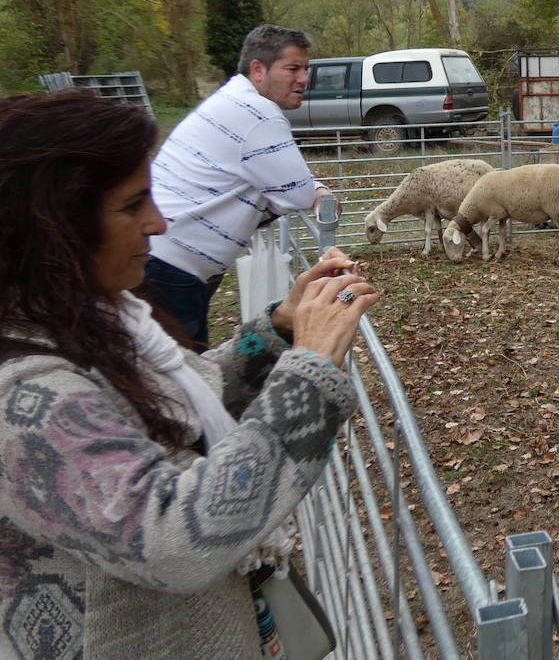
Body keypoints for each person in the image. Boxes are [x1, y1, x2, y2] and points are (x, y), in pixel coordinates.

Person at [0, 90, 376, 659]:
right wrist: (311, 369)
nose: (158, 221)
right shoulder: (22, 397)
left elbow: (174, 411)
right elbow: (171, 537)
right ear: (54, 226)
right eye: (132, 206)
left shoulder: (89, 321)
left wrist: (277, 333)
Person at [144, 24, 336, 350]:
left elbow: (276, 184)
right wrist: (315, 191)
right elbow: (299, 194)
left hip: (163, 262)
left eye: (306, 69)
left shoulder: (233, 100)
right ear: (258, 69)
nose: (304, 79)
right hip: (170, 272)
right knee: (178, 384)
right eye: (292, 68)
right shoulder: (257, 113)